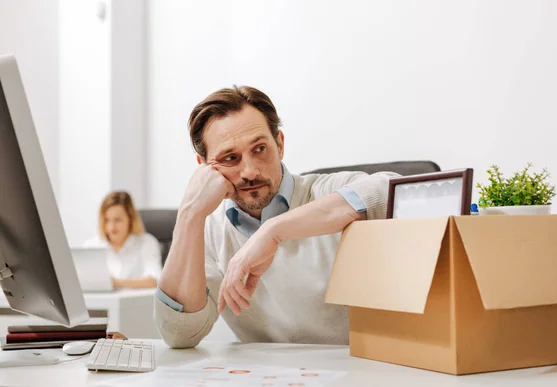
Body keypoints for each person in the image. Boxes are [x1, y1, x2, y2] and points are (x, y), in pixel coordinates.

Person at [154, 86, 397, 348]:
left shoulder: (327, 192)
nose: (249, 171)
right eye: (230, 158)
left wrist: (273, 232)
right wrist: (190, 213)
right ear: (204, 169)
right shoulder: (210, 233)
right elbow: (180, 335)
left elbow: (392, 189)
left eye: (259, 149)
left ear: (279, 144)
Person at [84, 191, 163, 289]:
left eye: (117, 220)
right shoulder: (91, 246)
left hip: (135, 303)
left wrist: (115, 283)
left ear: (130, 219)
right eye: (107, 220)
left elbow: (155, 280)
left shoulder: (146, 243)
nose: (111, 227)